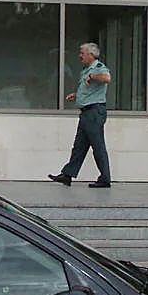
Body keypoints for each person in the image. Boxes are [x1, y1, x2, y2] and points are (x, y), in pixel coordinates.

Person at [48, 42, 112, 188]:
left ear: (91, 54)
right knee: (79, 146)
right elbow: (90, 90)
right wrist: (77, 95)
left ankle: (105, 178)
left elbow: (107, 78)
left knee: (98, 146)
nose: (80, 56)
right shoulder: (86, 70)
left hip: (94, 112)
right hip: (86, 113)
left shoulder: (98, 68)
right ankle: (67, 175)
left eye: (82, 53)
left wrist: (93, 76)